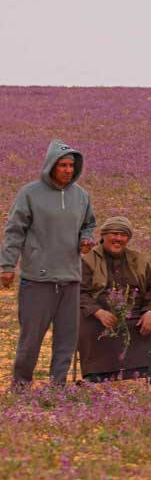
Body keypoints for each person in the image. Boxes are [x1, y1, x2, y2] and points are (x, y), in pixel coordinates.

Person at [1, 139, 96, 390]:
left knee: (66, 338)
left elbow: (89, 224)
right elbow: (14, 231)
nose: (67, 170)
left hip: (70, 278)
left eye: (71, 165)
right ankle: (20, 386)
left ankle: (58, 388)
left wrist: (86, 239)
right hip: (37, 279)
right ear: (50, 166)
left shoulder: (81, 196)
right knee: (31, 339)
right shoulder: (30, 194)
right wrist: (7, 265)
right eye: (62, 165)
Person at [77, 216, 151, 381]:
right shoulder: (89, 260)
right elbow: (79, 292)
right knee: (83, 321)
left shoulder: (138, 260)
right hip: (102, 316)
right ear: (103, 235)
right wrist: (98, 312)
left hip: (135, 313)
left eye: (123, 235)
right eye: (114, 234)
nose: (118, 239)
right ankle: (98, 373)